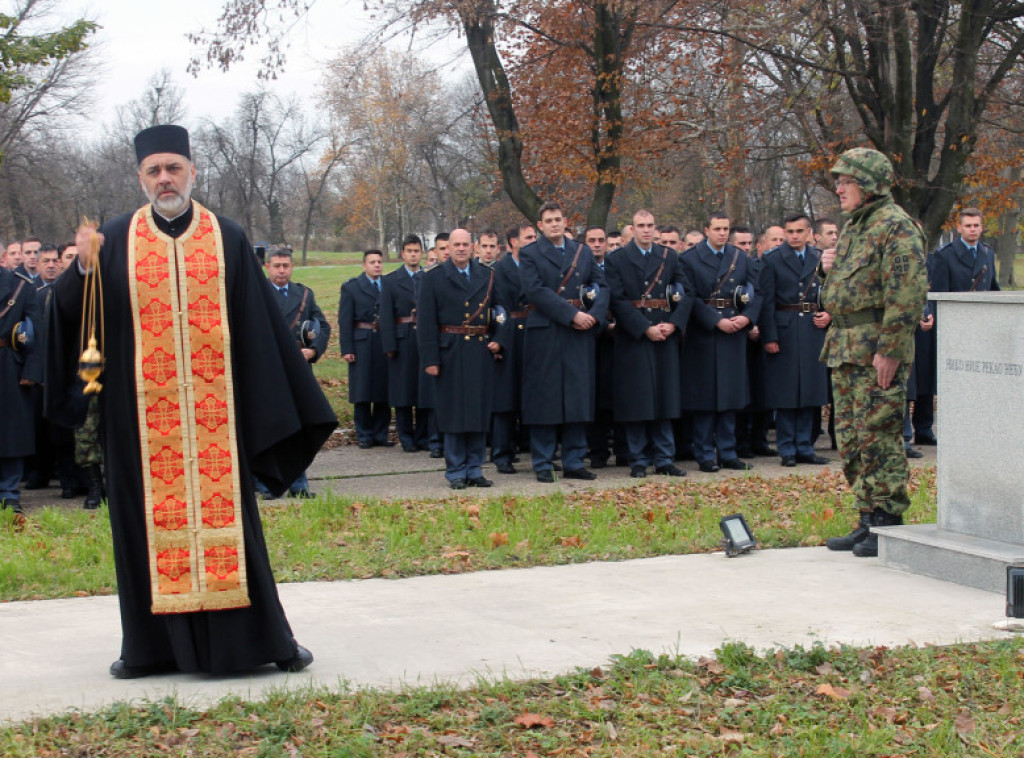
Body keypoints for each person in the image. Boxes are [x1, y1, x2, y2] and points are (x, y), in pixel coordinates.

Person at [49, 124, 336, 677]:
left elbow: (258, 328)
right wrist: (81, 268)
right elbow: (67, 319)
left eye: (173, 168)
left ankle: (258, 641)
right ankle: (149, 650)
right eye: (153, 170)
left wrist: (267, 410)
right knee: (142, 529)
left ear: (192, 172)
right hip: (138, 419)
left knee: (233, 528)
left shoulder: (225, 237)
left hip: (215, 420)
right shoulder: (114, 238)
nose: (164, 179)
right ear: (140, 177)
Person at [820, 147, 928, 558]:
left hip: (876, 348)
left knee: (880, 434)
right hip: (845, 346)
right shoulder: (855, 227)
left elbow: (908, 293)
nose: (839, 188)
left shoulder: (895, 226)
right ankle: (866, 516)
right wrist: (824, 270)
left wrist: (892, 350)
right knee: (850, 438)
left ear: (868, 185)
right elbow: (845, 284)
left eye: (845, 181)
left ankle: (886, 523)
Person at [519, 201, 608, 482]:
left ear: (565, 221)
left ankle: (574, 460)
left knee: (577, 397)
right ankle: (544, 462)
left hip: (579, 333)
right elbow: (535, 291)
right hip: (547, 330)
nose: (554, 224)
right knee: (545, 398)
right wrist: (572, 315)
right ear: (540, 225)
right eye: (549, 220)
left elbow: (601, 285)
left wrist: (593, 315)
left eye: (558, 219)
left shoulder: (581, 251)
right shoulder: (530, 253)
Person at [604, 210, 690, 478]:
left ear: (655, 229)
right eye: (640, 225)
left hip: (664, 332)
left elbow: (686, 293)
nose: (645, 230)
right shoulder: (616, 259)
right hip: (634, 337)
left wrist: (674, 323)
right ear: (632, 228)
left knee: (665, 398)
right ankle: (638, 460)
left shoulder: (669, 256)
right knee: (637, 400)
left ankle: (664, 458)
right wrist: (644, 328)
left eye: (650, 225)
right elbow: (616, 300)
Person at [678, 212, 761, 472]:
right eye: (717, 228)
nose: (722, 233)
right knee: (705, 398)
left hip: (734, 331)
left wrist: (746, 318)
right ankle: (704, 454)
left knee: (730, 396)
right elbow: (689, 297)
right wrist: (715, 321)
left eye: (725, 228)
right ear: (706, 230)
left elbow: (755, 291)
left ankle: (728, 452)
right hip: (704, 333)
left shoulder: (739, 257)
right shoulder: (689, 259)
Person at [417, 229, 500, 489]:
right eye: (456, 245)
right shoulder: (434, 278)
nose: (461, 248)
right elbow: (426, 321)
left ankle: (474, 468)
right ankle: (455, 470)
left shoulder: (487, 275)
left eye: (466, 244)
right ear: (447, 248)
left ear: (473, 247)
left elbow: (499, 312)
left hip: (479, 350)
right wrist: (431, 358)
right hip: (449, 350)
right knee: (453, 412)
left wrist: (500, 340)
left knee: (477, 410)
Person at [915, 208, 998, 445]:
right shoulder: (945, 255)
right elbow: (936, 292)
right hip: (950, 326)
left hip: (979, 325)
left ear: (982, 228)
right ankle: (925, 427)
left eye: (976, 225)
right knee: (937, 377)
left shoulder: (987, 254)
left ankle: (973, 425)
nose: (973, 229)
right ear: (959, 228)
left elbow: (993, 288)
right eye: (968, 225)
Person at [758, 213, 831, 466]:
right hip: (785, 327)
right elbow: (765, 301)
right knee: (787, 393)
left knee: (810, 390)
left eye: (799, 231)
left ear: (809, 233)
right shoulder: (773, 259)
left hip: (812, 328)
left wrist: (829, 313)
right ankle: (787, 449)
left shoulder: (818, 258)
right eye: (790, 231)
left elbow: (833, 291)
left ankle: (805, 446)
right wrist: (769, 335)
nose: (794, 236)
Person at [259, 245, 330, 498]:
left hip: (298, 372)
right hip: (267, 372)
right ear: (267, 267)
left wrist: (313, 351)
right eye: (276, 266)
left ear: (292, 267)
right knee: (272, 427)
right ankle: (268, 482)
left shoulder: (304, 295)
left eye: (285, 266)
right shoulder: (257, 293)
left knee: (299, 426)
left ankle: (299, 484)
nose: (281, 271)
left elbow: (322, 325)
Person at [380, 234, 436, 454]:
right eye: (409, 251)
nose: (413, 255)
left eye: (417, 251)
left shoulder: (429, 278)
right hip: (402, 339)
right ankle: (406, 436)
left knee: (423, 389)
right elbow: (385, 316)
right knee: (403, 391)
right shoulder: (390, 281)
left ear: (421, 253)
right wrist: (390, 345)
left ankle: (423, 435)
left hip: (423, 338)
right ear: (403, 253)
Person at [490, 223, 536, 473]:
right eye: (528, 237)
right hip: (508, 335)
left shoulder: (539, 265)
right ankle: (502, 454)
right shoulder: (500, 269)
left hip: (535, 333)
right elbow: (497, 308)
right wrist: (499, 340)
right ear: (513, 242)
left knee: (535, 396)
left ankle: (535, 449)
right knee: (505, 399)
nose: (533, 241)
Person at [338, 250, 392, 448]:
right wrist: (347, 348)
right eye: (372, 262)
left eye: (379, 261)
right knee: (362, 391)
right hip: (361, 342)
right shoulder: (352, 287)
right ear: (364, 265)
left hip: (383, 341)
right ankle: (364, 434)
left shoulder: (388, 285)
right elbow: (344, 320)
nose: (377, 265)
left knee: (382, 390)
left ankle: (381, 433)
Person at [0, 264, 38, 520]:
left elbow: (37, 327)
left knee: (10, 431)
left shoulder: (21, 285)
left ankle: (9, 492)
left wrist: (32, 371)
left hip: (8, 366)